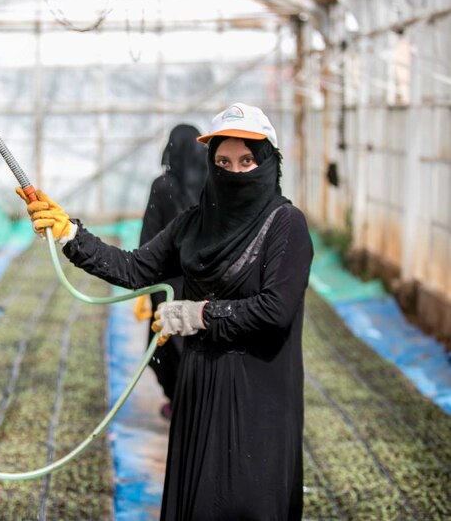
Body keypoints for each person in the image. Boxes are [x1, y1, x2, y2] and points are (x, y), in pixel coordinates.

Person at [17, 103, 312, 520]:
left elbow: (275, 310)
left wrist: (197, 315)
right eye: (224, 161)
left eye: (247, 161)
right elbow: (134, 267)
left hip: (258, 394)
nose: (235, 171)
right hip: (198, 385)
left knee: (250, 500)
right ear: (211, 164)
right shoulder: (194, 224)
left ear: (267, 162)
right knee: (199, 500)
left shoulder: (286, 225)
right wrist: (69, 234)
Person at [137, 123, 207, 419]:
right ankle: (201, 405)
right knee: (200, 341)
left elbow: (148, 239)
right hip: (204, 280)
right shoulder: (212, 184)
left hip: (168, 282)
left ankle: (178, 402)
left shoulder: (163, 186)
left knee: (165, 343)